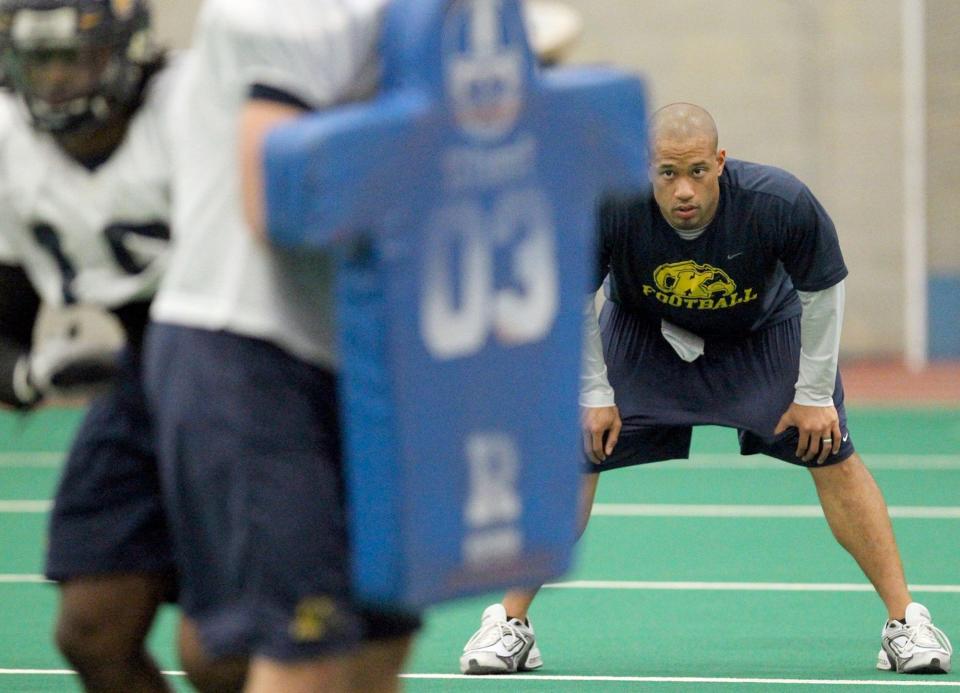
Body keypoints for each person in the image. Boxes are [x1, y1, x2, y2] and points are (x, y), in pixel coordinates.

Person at [459, 102, 953, 676]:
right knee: (575, 451)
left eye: (697, 170)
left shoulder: (779, 202)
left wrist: (815, 396)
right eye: (667, 173)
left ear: (720, 161)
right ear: (645, 170)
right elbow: (574, 297)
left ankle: (905, 622)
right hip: (646, 335)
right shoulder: (608, 205)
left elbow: (823, 292)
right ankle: (510, 623)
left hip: (759, 335)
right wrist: (594, 394)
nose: (684, 189)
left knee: (832, 453)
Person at [143, 1, 424, 691]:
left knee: (380, 639)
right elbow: (279, 199)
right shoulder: (295, 11)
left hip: (357, 351)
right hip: (246, 347)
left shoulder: (438, 18)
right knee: (307, 645)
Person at [0, 1, 175, 690]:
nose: (58, 81)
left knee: (220, 651)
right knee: (92, 628)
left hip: (248, 368)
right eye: (40, 61)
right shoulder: (12, 144)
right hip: (143, 380)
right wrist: (34, 376)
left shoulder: (189, 109)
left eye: (75, 58)